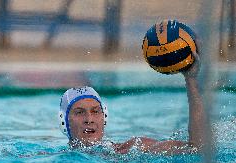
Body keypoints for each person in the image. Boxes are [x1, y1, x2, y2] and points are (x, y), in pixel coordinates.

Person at [59, 54, 205, 155]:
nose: (89, 119)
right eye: (79, 112)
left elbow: (196, 148)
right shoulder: (47, 157)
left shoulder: (131, 148)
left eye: (96, 111)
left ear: (105, 117)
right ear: (64, 122)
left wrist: (191, 80)